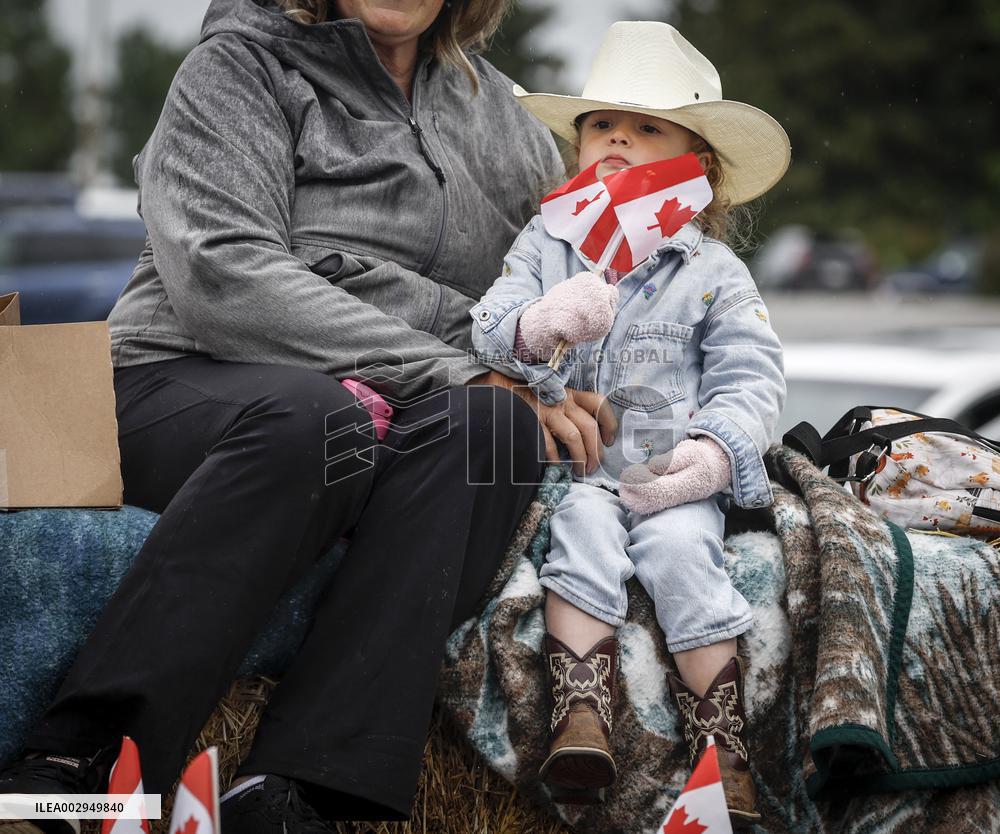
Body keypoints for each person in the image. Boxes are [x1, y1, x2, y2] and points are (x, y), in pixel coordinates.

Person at [0, 1, 618, 832]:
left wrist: (566, 381)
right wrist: (457, 366)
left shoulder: (507, 121)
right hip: (182, 375)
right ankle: (79, 766)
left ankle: (293, 792)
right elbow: (225, 274)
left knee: (497, 432)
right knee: (319, 422)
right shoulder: (237, 68)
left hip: (390, 406)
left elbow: (537, 299)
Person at [469, 21, 789, 826]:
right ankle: (582, 712)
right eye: (602, 124)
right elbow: (491, 324)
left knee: (685, 553)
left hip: (667, 476)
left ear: (696, 165)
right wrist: (539, 324)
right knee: (580, 532)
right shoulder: (546, 241)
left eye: (647, 128)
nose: (618, 137)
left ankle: (722, 745)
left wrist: (715, 454)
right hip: (576, 472)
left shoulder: (713, 271)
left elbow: (751, 376)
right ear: (577, 147)